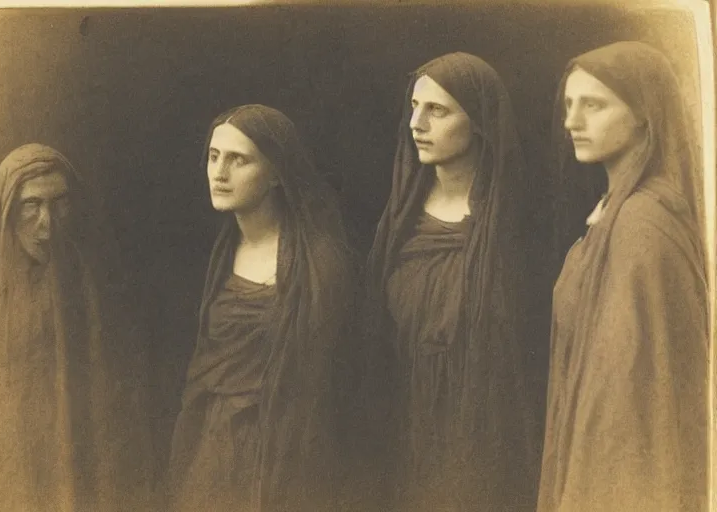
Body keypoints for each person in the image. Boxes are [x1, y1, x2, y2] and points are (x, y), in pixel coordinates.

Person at [364, 52, 541, 511]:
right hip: (402, 423)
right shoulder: (400, 222)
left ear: (479, 121)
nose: (416, 123)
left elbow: (520, 364)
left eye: (437, 110)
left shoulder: (510, 230)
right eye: (414, 107)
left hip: (478, 427)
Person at [538, 41, 708, 512]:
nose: (572, 122)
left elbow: (631, 399)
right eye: (569, 105)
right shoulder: (613, 214)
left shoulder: (642, 226)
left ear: (643, 115)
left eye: (593, 105)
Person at [166, 104, 355, 512]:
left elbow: (320, 383)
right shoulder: (222, 252)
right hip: (212, 445)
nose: (219, 172)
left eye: (239, 160)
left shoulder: (317, 263)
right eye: (214, 156)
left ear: (275, 175)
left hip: (280, 448)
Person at [0, 143, 154, 511]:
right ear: (5, 211)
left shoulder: (96, 288)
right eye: (31, 205)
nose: (47, 224)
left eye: (59, 204)